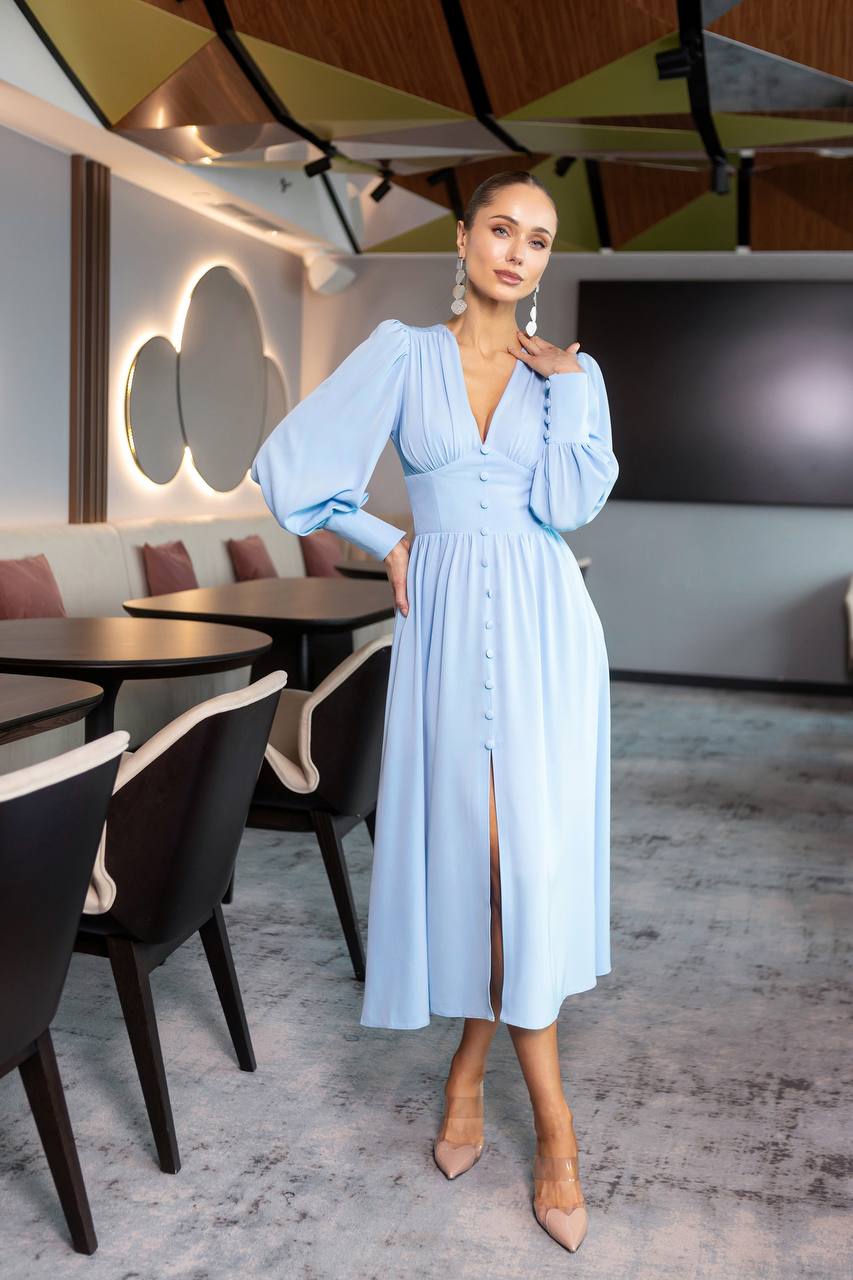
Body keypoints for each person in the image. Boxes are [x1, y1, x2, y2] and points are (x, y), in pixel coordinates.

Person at [250, 171, 619, 1255]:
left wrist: (579, 382)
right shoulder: (403, 356)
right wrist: (385, 538)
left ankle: (501, 1091)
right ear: (461, 240)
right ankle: (537, 1110)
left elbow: (564, 504)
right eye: (501, 228)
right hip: (449, 627)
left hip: (551, 630)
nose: (517, 252)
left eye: (539, 240)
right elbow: (293, 471)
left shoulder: (564, 376)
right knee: (481, 855)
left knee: (523, 864)